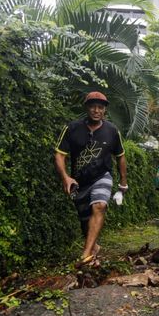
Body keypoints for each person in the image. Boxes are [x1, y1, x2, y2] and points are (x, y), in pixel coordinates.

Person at [54, 91, 128, 267]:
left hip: (103, 176)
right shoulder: (72, 128)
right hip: (79, 181)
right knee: (85, 222)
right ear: (87, 108)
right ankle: (94, 248)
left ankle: (85, 254)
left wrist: (123, 182)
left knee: (100, 205)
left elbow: (121, 156)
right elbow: (59, 154)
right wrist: (66, 178)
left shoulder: (112, 131)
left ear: (104, 111)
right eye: (93, 106)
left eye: (100, 107)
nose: (96, 110)